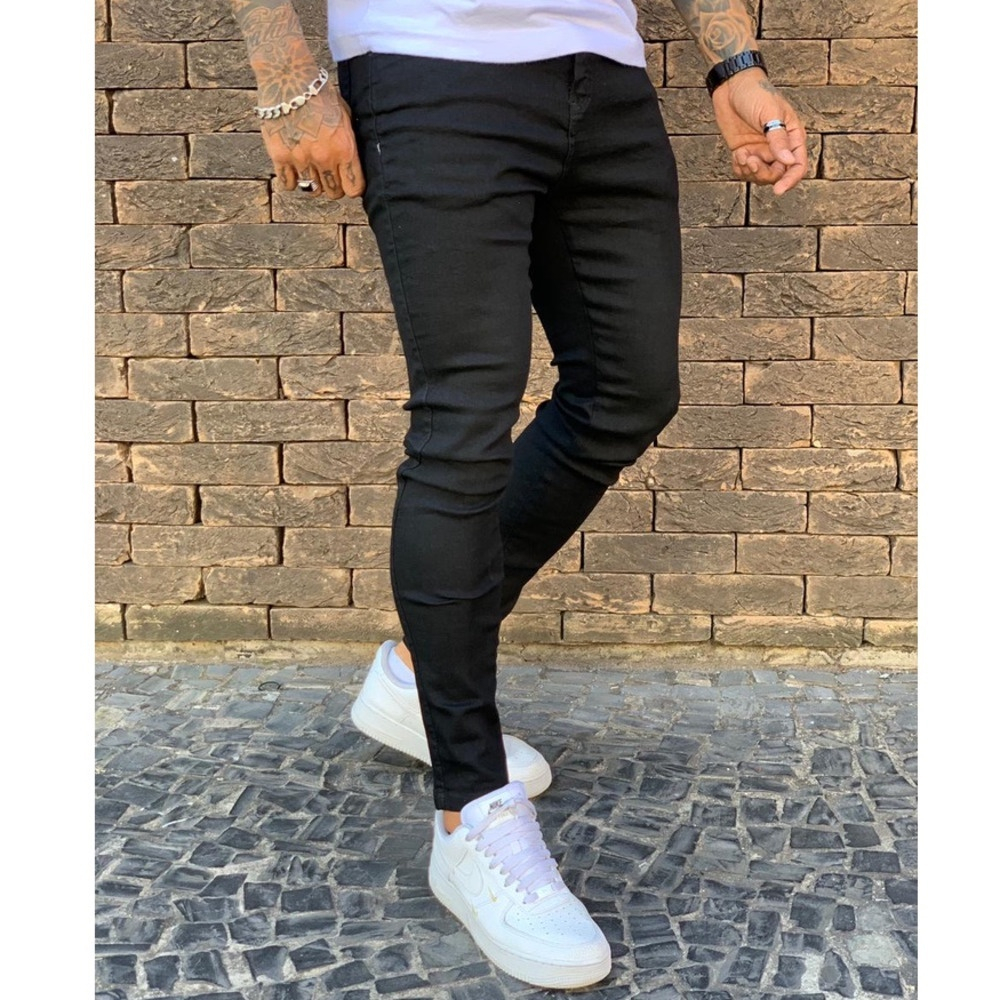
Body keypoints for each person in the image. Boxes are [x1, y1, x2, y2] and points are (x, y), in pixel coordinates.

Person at [230, 0, 807, 988]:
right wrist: (287, 79)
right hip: (429, 67)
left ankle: (422, 666)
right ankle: (470, 812)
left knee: (628, 389)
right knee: (463, 420)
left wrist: (734, 66)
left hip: (603, 74)